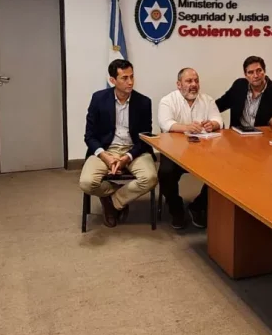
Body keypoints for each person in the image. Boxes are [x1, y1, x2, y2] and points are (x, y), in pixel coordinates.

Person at [79, 59, 158, 228]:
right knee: (86, 182)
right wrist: (105, 156)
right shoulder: (98, 99)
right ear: (112, 80)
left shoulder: (144, 102)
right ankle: (115, 193)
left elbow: (145, 138)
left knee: (150, 178)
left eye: (132, 77)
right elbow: (89, 136)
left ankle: (113, 202)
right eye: (124, 78)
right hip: (105, 149)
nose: (130, 82)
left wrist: (127, 157)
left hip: (134, 150)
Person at [158, 68, 223, 229]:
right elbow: (165, 123)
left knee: (222, 170)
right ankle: (175, 207)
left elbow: (218, 120)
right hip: (174, 152)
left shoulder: (207, 100)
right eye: (189, 81)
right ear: (179, 84)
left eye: (196, 81)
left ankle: (198, 206)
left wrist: (212, 124)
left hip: (203, 152)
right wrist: (186, 127)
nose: (194, 84)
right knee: (165, 173)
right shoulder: (168, 101)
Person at [216, 56, 272, 129]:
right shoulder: (238, 86)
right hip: (236, 133)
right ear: (245, 75)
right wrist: (213, 121)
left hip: (263, 134)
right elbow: (218, 105)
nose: (255, 76)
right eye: (250, 72)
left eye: (259, 70)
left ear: (264, 71)